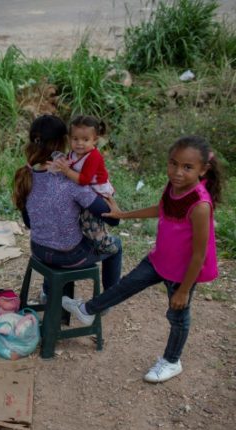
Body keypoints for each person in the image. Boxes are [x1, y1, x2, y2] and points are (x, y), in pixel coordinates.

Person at [62, 135, 221, 383]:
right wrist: (122, 215)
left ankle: (171, 360)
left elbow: (199, 254)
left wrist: (184, 290)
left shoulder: (200, 205)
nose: (178, 172)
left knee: (177, 317)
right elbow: (161, 209)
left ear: (203, 170)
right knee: (127, 284)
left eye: (187, 167)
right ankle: (88, 310)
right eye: (173, 163)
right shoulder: (173, 187)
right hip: (160, 260)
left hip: (183, 273)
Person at [12, 115, 122, 301]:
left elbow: (30, 223)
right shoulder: (71, 181)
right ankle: (108, 300)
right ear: (65, 141)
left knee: (59, 236)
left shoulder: (27, 174)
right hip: (68, 256)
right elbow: (113, 219)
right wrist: (112, 201)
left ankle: (49, 294)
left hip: (38, 250)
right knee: (116, 246)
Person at [53, 115, 117, 254]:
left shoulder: (93, 156)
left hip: (98, 191)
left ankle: (105, 244)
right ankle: (86, 240)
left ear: (95, 140)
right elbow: (70, 165)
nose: (79, 143)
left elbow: (84, 180)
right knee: (78, 217)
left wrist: (66, 170)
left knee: (91, 222)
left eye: (85, 139)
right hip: (84, 191)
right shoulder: (74, 153)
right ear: (69, 139)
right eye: (75, 139)